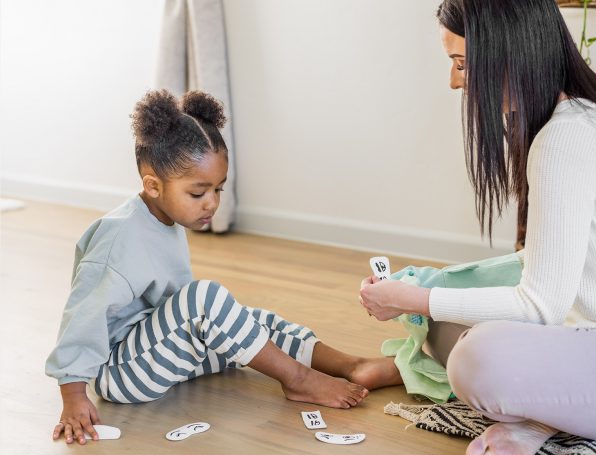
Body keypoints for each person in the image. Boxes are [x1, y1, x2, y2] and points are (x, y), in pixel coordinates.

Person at [358, 1, 596, 454]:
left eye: (462, 64)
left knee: (473, 359)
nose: (455, 81)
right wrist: (435, 291)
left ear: (509, 53)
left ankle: (541, 416)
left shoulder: (567, 140)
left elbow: (539, 305)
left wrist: (414, 298)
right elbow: (545, 262)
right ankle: (544, 416)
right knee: (444, 317)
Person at [47, 90, 399, 445]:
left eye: (218, 189)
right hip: (122, 374)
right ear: (153, 185)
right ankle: (299, 379)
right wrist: (73, 396)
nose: (212, 203)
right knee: (206, 298)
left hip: (161, 351)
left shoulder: (164, 218)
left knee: (251, 320)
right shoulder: (118, 238)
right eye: (198, 193)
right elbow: (83, 316)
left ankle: (350, 366)